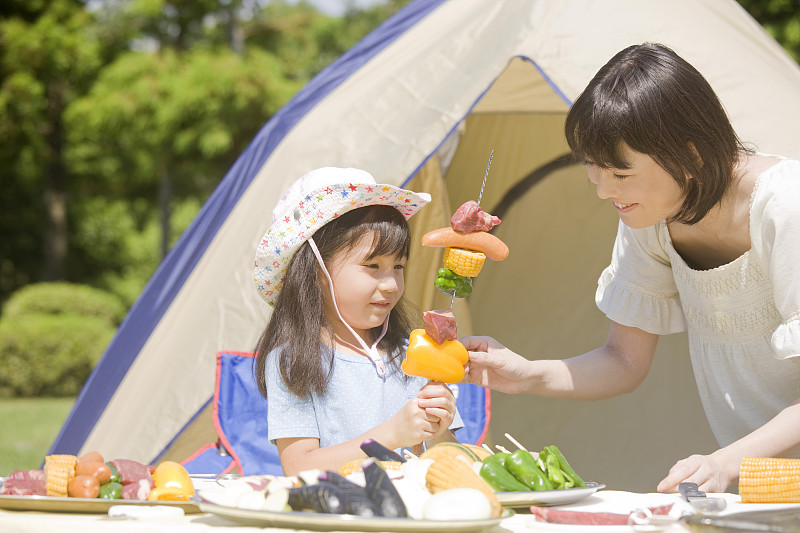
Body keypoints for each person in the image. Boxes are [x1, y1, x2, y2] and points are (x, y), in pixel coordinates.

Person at [462, 43, 800, 493]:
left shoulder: (786, 206)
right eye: (593, 167)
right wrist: (528, 374)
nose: (603, 191)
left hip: (750, 469)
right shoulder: (652, 216)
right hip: (771, 479)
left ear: (692, 156)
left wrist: (723, 462)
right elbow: (623, 360)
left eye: (620, 174)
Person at [253, 167, 462, 476]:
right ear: (316, 273)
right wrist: (391, 435)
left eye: (399, 266)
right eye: (372, 265)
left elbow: (453, 462)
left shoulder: (416, 354)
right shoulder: (292, 361)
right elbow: (299, 469)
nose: (391, 284)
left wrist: (442, 429)